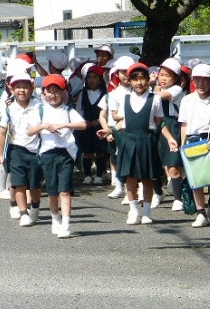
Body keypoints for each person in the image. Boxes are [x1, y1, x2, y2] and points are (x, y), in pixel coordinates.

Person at [99, 63, 178, 225]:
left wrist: (170, 138)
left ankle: (147, 212)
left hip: (147, 141)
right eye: (135, 79)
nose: (139, 83)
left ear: (148, 80)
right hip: (128, 141)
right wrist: (109, 131)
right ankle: (133, 210)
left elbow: (159, 123)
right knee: (130, 178)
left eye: (142, 79)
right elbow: (122, 123)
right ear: (130, 81)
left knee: (147, 178)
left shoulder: (155, 99)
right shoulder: (125, 99)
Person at [27, 74, 86, 238]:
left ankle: (66, 224)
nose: (53, 95)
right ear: (43, 93)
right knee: (52, 191)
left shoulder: (68, 110)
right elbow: (30, 130)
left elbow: (83, 125)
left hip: (66, 153)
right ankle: (55, 219)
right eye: (49, 91)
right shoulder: (39, 110)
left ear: (64, 93)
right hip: (47, 153)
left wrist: (64, 124)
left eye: (57, 91)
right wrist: (43, 126)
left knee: (65, 190)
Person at [178, 64, 210, 227]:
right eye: (197, 80)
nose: (200, 84)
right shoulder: (187, 100)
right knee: (196, 179)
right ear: (192, 81)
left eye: (204, 80)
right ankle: (201, 213)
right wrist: (182, 145)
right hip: (193, 141)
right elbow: (184, 125)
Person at [0, 72, 43, 227]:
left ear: (32, 88)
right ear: (12, 89)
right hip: (16, 150)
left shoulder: (39, 107)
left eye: (25, 87)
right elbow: (3, 132)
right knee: (19, 183)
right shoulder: (10, 109)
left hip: (36, 151)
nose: (21, 90)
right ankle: (23, 212)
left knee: (35, 186)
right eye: (18, 87)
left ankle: (35, 207)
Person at [97, 55, 135, 199]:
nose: (126, 74)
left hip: (133, 130)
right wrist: (108, 131)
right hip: (115, 131)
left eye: (128, 71)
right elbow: (106, 115)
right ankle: (119, 186)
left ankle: (131, 189)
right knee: (115, 158)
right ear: (116, 73)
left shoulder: (139, 91)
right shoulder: (112, 94)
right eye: (122, 71)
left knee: (130, 159)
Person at [152, 58, 185, 211]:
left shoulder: (177, 89)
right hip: (155, 125)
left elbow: (160, 96)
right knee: (153, 163)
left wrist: (155, 88)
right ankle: (158, 192)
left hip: (172, 125)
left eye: (168, 75)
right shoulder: (155, 87)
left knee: (173, 163)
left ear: (176, 78)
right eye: (161, 74)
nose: (163, 78)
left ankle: (178, 198)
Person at [75, 64, 107, 185]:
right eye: (89, 77)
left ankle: (99, 174)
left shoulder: (105, 94)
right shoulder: (83, 94)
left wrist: (98, 121)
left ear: (100, 80)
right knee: (87, 152)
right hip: (86, 127)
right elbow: (79, 110)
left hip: (100, 126)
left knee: (100, 151)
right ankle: (87, 174)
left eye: (94, 77)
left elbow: (107, 112)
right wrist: (84, 121)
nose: (91, 80)